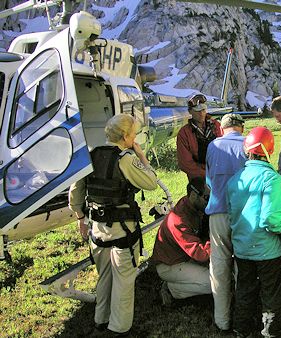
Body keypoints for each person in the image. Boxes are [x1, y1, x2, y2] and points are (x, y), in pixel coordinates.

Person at [69, 114, 158, 336]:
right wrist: (142, 157)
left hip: (97, 230)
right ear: (125, 136)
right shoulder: (125, 159)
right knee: (123, 279)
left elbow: (75, 192)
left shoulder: (91, 156)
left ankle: (101, 320)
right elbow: (151, 182)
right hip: (122, 230)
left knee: (105, 276)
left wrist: (81, 217)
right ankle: (119, 329)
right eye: (134, 134)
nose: (135, 137)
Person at [227, 127, 281, 338]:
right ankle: (270, 331)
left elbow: (231, 214)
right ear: (269, 150)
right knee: (271, 292)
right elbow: (271, 220)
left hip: (242, 248)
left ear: (247, 151)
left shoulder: (235, 179)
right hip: (268, 250)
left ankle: (241, 329)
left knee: (244, 288)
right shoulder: (272, 179)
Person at [205, 113, 247, 331]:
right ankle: (242, 317)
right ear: (241, 127)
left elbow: (209, 181)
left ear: (222, 129)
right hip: (244, 214)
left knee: (219, 265)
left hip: (218, 211)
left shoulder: (213, 146)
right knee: (243, 265)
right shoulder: (250, 145)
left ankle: (222, 320)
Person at [151, 177, 212, 305]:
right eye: (207, 198)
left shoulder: (193, 207)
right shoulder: (179, 220)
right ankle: (171, 289)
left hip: (184, 257)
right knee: (213, 283)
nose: (210, 202)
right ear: (194, 195)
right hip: (170, 265)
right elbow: (200, 254)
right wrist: (217, 241)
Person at [177, 93, 223, 179]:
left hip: (219, 173)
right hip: (197, 177)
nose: (201, 113)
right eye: (197, 111)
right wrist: (206, 174)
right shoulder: (184, 133)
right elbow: (185, 163)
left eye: (203, 110)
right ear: (190, 111)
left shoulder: (217, 126)